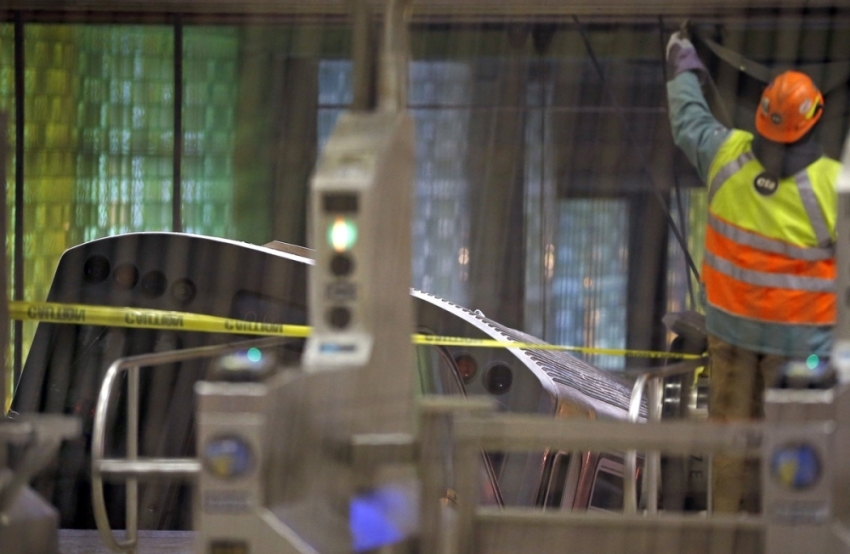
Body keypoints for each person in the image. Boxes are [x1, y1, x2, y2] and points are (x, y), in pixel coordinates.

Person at [665, 30, 840, 513]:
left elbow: (688, 121)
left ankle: (728, 534)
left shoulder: (724, 156)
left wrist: (682, 63)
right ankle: (791, 534)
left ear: (763, 116)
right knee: (795, 446)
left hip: (732, 337)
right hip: (801, 353)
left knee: (731, 441)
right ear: (814, 122)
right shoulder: (832, 186)